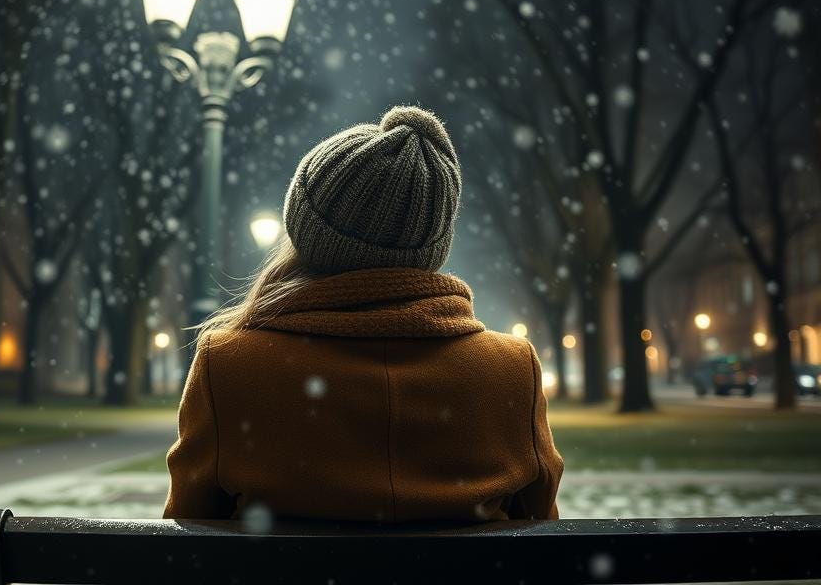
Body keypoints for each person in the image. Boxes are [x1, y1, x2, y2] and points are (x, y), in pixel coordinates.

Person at [163, 105, 563, 523]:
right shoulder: (511, 370)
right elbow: (541, 529)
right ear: (430, 247)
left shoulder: (229, 365)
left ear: (303, 232)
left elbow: (190, 531)